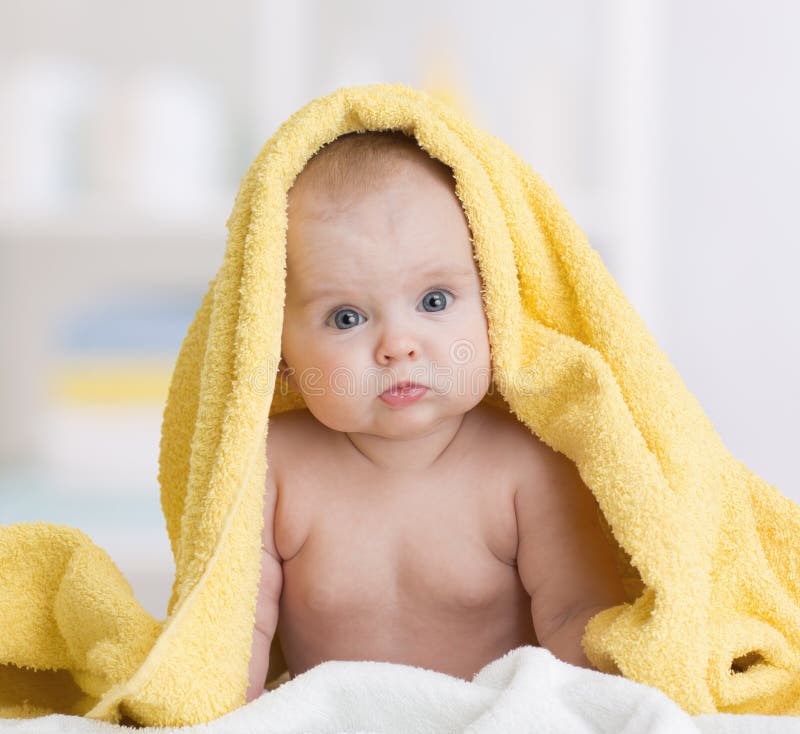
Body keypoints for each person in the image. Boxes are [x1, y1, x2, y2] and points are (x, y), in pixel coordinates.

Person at [246, 130, 627, 702]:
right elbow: (233, 628)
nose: (399, 345)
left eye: (434, 302)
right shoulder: (273, 463)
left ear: (495, 304)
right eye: (346, 317)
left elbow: (578, 617)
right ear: (278, 351)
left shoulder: (524, 463)